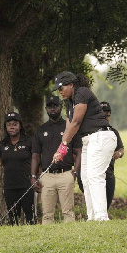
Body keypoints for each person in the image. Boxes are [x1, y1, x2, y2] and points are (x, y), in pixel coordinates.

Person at [52, 71, 117, 221]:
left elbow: (76, 122)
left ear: (71, 85)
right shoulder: (69, 102)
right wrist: (60, 149)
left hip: (101, 136)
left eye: (61, 88)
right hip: (88, 139)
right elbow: (69, 126)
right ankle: (92, 217)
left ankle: (102, 217)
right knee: (86, 177)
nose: (60, 92)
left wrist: (64, 146)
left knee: (95, 176)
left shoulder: (82, 92)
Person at [31, 95, 82, 225]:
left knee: (68, 212)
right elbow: (36, 155)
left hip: (66, 174)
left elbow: (78, 152)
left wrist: (75, 172)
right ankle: (48, 241)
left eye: (56, 106)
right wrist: (33, 176)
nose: (52, 109)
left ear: (61, 107)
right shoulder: (41, 130)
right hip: (47, 176)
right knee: (47, 215)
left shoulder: (69, 127)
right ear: (46, 109)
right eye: (49, 106)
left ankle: (70, 240)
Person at [77, 101, 124, 210]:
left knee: (105, 206)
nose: (106, 118)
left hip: (108, 174)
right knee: (93, 202)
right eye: (104, 115)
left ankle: (101, 221)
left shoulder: (112, 132)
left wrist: (118, 153)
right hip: (92, 174)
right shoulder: (89, 132)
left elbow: (121, 149)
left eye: (108, 115)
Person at [0, 112, 34, 225]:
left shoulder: (29, 141)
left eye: (15, 124)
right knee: (13, 218)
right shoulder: (2, 144)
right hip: (10, 186)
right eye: (9, 124)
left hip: (26, 184)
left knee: (30, 216)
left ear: (20, 126)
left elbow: (36, 160)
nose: (12, 127)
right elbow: (2, 162)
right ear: (5, 127)